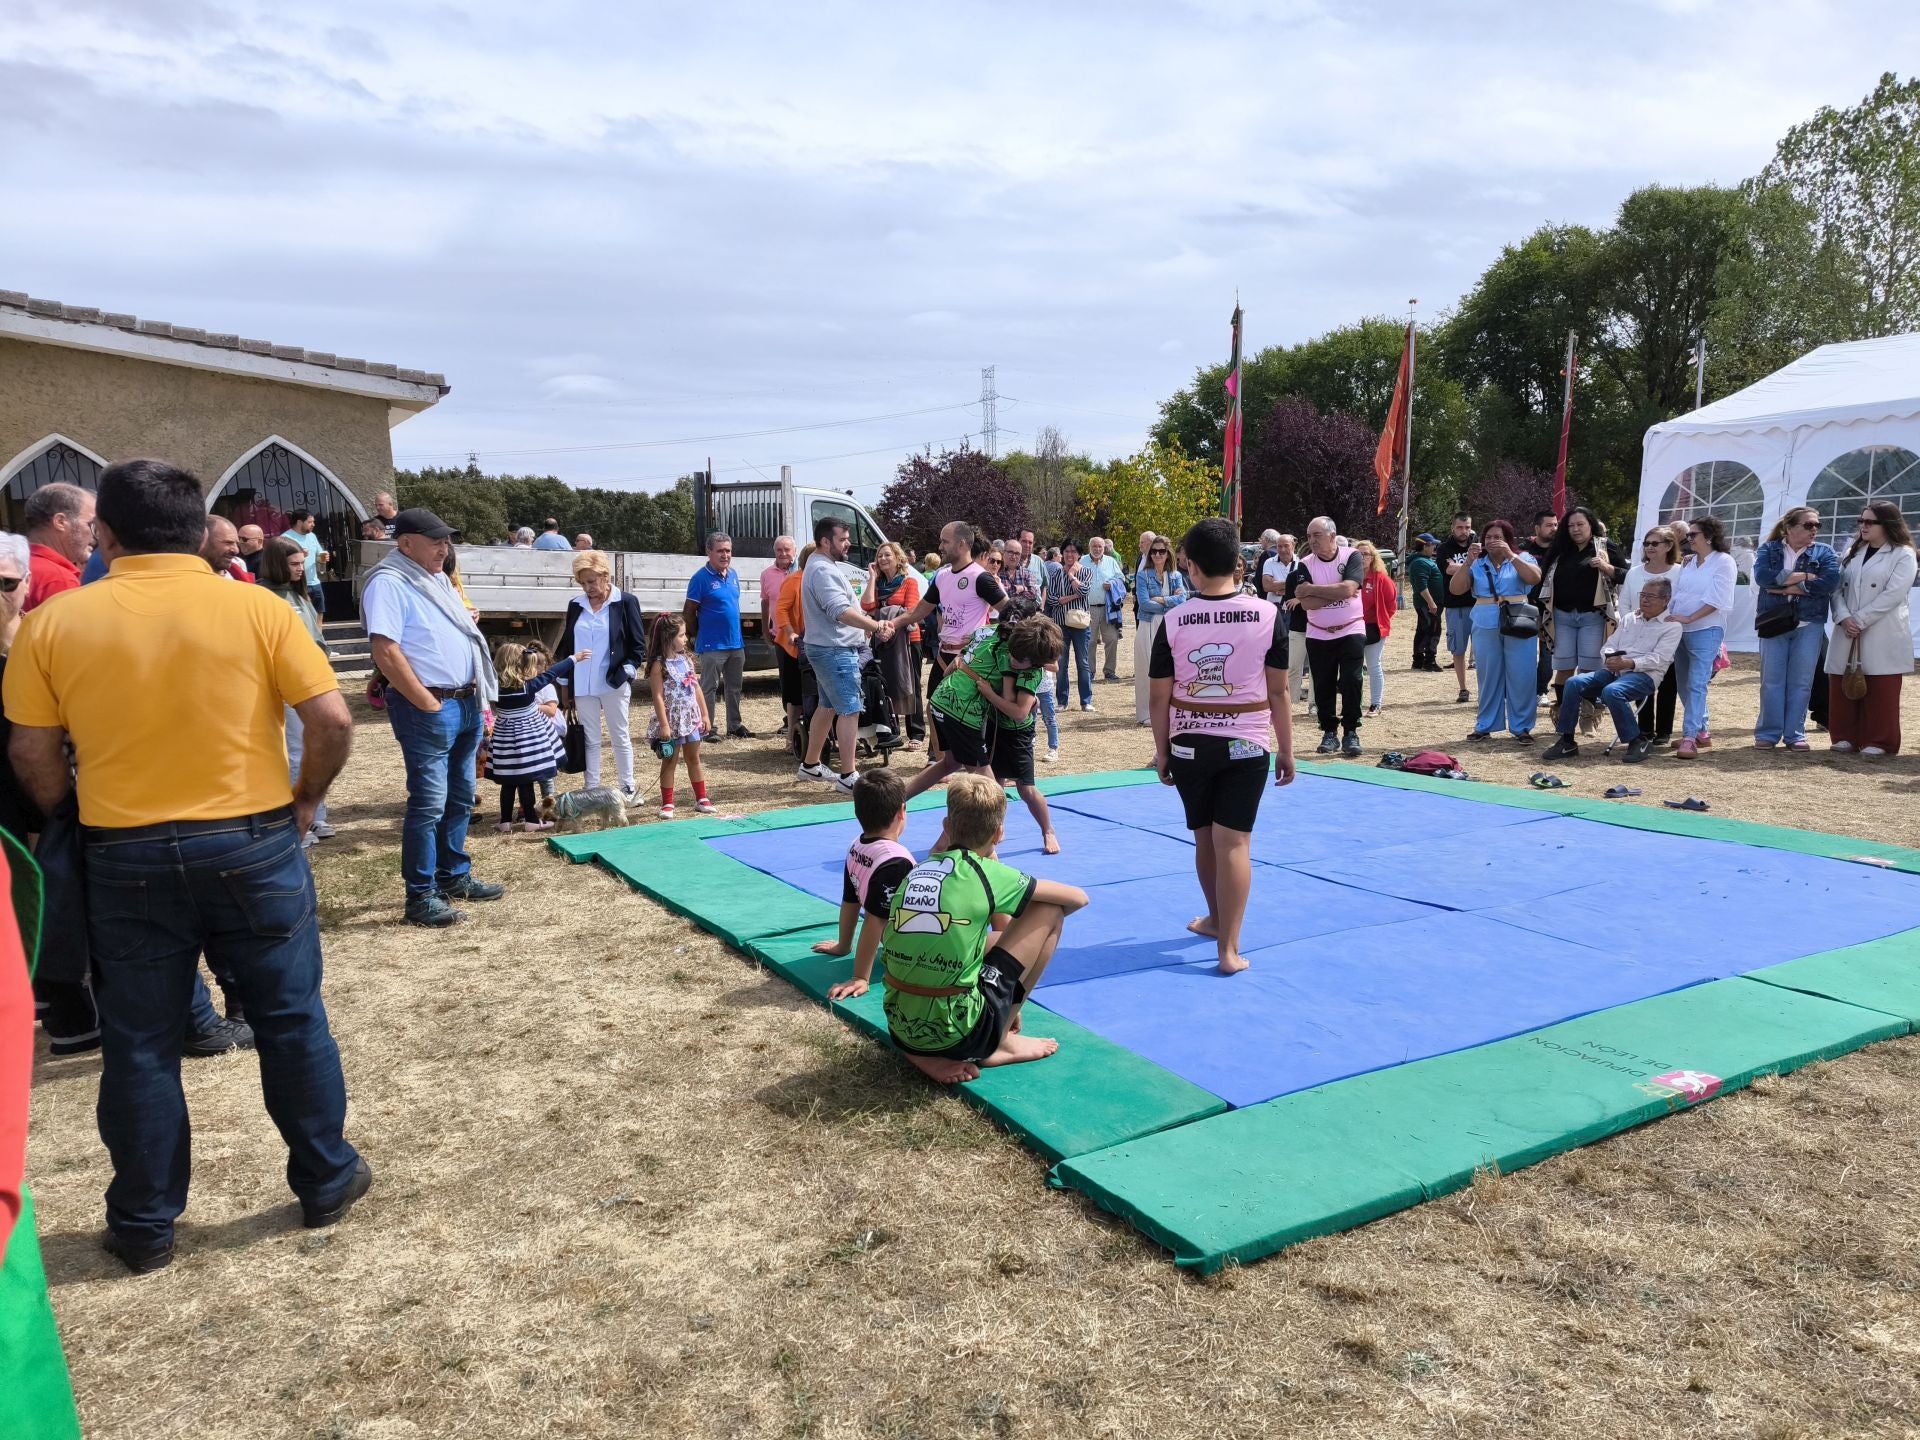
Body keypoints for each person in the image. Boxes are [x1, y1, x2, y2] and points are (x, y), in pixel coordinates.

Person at [5, 458, 366, 1272]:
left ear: (106, 533)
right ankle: (324, 1177)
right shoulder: (258, 609)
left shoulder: (56, 623)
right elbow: (333, 720)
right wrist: (305, 798)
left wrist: (69, 813)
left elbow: (30, 749)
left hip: (122, 850)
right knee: (290, 1018)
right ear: (199, 527)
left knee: (139, 1043)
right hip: (252, 839)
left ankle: (143, 1222)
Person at [870, 773, 1087, 1084]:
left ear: (946, 826)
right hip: (960, 1035)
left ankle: (925, 1051)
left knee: (986, 939)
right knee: (1049, 910)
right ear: (999, 834)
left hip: (899, 1025)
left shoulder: (917, 870)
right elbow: (1078, 898)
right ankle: (1001, 1040)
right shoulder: (988, 873)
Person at [1149, 516, 1295, 975]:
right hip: (1247, 740)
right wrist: (1287, 750)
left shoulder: (1171, 620)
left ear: (1189, 566)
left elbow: (1158, 696)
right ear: (1238, 563)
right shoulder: (1269, 615)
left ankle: (1215, 918)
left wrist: (1162, 750)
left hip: (1189, 740)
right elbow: (1279, 692)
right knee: (1234, 843)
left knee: (1205, 839)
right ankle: (1228, 948)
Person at [363, 508, 507, 927]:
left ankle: (454, 875)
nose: (444, 548)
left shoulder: (437, 578)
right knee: (428, 803)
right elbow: (385, 650)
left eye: (446, 540)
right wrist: (424, 700)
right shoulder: (389, 583)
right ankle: (421, 895)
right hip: (431, 706)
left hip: (464, 703)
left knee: (460, 797)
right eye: (435, 541)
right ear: (405, 543)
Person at [906, 611, 1065, 853]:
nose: (1013, 660)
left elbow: (1020, 704)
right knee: (989, 792)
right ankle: (946, 844)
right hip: (964, 714)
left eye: (1020, 660)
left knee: (951, 764)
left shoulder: (993, 633)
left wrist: (968, 675)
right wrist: (992, 690)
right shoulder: (1014, 656)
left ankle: (897, 800)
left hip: (945, 701)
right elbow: (1015, 701)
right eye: (1014, 655)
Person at [798, 516, 894, 794]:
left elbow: (846, 607)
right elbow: (839, 611)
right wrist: (875, 626)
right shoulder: (822, 570)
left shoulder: (824, 566)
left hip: (828, 647)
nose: (847, 543)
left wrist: (868, 623)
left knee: (827, 706)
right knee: (850, 710)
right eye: (842, 539)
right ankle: (848, 776)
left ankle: (811, 765)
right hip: (834, 650)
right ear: (825, 541)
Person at [1542, 578, 1681, 764]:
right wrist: (1610, 658)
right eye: (1643, 595)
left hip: (1645, 676)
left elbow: (1659, 659)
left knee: (1612, 691)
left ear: (1666, 600)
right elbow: (1609, 645)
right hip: (1614, 671)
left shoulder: (1672, 626)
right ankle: (1567, 741)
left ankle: (1637, 740)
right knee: (1574, 682)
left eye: (1651, 596)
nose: (1644, 600)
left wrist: (1628, 663)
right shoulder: (1630, 618)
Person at [898, 522, 1008, 750]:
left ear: (962, 544)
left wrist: (985, 636)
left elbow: (1011, 612)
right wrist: (890, 623)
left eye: (944, 541)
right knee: (933, 708)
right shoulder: (942, 576)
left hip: (968, 660)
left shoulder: (980, 577)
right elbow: (920, 610)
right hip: (943, 654)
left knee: (966, 714)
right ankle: (940, 760)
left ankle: (976, 765)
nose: (940, 546)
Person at [1825, 501, 1917, 757]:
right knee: (1842, 680)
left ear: (1887, 524)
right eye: (1861, 521)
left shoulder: (1903, 554)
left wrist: (1860, 620)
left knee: (1881, 685)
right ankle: (1844, 735)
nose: (1863, 526)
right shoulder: (1852, 552)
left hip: (1882, 628)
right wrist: (1844, 617)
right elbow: (1836, 587)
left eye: (1870, 522)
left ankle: (1880, 739)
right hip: (1848, 626)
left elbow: (1894, 594)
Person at [258, 535, 335, 844]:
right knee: (295, 751)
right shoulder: (263, 597)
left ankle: (317, 815)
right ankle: (297, 823)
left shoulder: (298, 594)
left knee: (314, 750)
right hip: (285, 688)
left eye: (302, 563)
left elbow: (314, 637)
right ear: (277, 564)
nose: (301, 569)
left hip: (310, 684)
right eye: (294, 564)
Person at [818, 769, 917, 995]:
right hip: (911, 948)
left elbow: (850, 900)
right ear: (902, 812)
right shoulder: (896, 861)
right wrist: (860, 977)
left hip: (896, 940)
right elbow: (874, 921)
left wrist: (844, 945)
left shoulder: (857, 845)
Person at [559, 549, 647, 802]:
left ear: (605, 577)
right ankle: (591, 790)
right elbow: (567, 645)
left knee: (620, 735)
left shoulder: (626, 601)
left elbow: (637, 646)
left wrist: (626, 673)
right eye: (583, 583)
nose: (588, 588)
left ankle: (628, 788)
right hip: (583, 683)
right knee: (590, 738)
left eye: (591, 581)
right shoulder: (575, 605)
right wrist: (565, 683)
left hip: (613, 682)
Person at [1752, 507, 1841, 752]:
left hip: (1809, 623)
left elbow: (1829, 582)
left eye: (1817, 525)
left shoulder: (1825, 551)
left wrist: (1788, 587)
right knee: (1771, 681)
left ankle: (1795, 734)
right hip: (1774, 622)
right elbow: (1763, 577)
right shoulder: (1768, 549)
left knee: (1802, 682)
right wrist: (1805, 576)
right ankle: (1768, 733)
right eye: (1809, 525)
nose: (1814, 530)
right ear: (1790, 528)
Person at [1451, 518, 1542, 743]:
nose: (1492, 541)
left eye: (1498, 538)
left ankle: (1522, 727)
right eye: (1488, 537)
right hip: (1485, 622)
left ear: (1508, 540)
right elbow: (1456, 589)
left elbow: (1534, 578)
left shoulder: (1523, 558)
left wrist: (1511, 555)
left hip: (1518, 620)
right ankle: (1485, 725)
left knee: (1522, 674)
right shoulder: (1478, 563)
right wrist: (1467, 563)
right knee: (1488, 675)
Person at [486, 642, 584, 831]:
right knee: (526, 781)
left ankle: (505, 822)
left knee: (507, 783)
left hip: (504, 740)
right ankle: (531, 821)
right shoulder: (528, 686)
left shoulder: (495, 687)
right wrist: (573, 658)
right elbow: (552, 672)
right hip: (528, 742)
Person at [1538, 506, 1624, 720]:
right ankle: (1564, 715)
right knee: (1564, 668)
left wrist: (1606, 566)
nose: (1575, 529)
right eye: (1571, 525)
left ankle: (1588, 715)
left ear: (1590, 525)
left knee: (1588, 669)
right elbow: (1542, 582)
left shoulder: (1604, 546)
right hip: (1562, 616)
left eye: (1580, 524)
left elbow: (1624, 575)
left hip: (1593, 617)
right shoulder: (1559, 550)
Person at [1294, 518, 1367, 756]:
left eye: (1317, 535)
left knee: (1351, 681)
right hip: (1318, 634)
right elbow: (1306, 604)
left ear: (1332, 535)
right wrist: (1338, 590)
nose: (1312, 541)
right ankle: (1329, 732)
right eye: (1309, 536)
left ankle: (1351, 731)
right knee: (1323, 684)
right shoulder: (1304, 564)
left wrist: (1314, 589)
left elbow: (1349, 588)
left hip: (1351, 630)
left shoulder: (1351, 556)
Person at [1666, 515, 1736, 759]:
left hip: (1706, 630)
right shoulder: (1688, 562)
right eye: (1688, 535)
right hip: (1680, 630)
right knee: (1685, 683)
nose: (1688, 539)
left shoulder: (1724, 561)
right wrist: (1670, 615)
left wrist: (1690, 617)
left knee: (1696, 683)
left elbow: (1719, 599)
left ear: (1709, 536)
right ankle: (1701, 731)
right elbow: (1678, 594)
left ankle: (1689, 736)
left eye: (1693, 534)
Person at [1620, 525, 1684, 746]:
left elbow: (1682, 602)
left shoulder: (1679, 572)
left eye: (1654, 543)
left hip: (1668, 632)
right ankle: (1644, 728)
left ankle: (1664, 731)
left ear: (1668, 546)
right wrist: (1633, 625)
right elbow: (1625, 603)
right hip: (1639, 633)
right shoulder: (1635, 572)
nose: (1649, 547)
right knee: (1639, 676)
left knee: (1668, 682)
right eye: (1646, 543)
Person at [644, 613, 713, 817]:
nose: (685, 639)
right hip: (671, 721)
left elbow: (696, 689)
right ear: (668, 637)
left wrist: (705, 715)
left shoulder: (687, 660)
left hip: (690, 719)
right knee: (670, 761)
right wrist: (664, 725)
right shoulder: (659, 664)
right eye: (682, 635)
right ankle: (667, 804)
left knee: (694, 758)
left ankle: (702, 798)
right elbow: (657, 696)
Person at [684, 532, 750, 740]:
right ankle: (708, 728)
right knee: (708, 688)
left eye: (728, 551)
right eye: (720, 551)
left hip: (735, 643)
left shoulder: (733, 575)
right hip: (712, 645)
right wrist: (696, 635)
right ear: (709, 551)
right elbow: (688, 612)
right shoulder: (700, 578)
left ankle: (735, 725)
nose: (725, 555)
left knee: (734, 687)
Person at [865, 540, 923, 744]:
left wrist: (887, 625)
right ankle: (890, 729)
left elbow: (912, 611)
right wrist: (872, 578)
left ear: (898, 559)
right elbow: (867, 606)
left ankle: (916, 733)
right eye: (880, 556)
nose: (883, 559)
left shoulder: (909, 582)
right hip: (882, 641)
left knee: (910, 684)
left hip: (908, 640)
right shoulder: (878, 584)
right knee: (885, 684)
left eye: (887, 555)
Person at [1133, 535, 1188, 726]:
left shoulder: (1175, 575)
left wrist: (1162, 600)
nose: (1157, 554)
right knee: (1146, 668)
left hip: (1171, 625)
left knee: (1172, 668)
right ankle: (1145, 713)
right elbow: (1144, 604)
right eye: (1154, 551)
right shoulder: (1142, 575)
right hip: (1148, 624)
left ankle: (1170, 710)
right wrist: (1170, 602)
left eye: (1161, 551)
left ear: (1168, 553)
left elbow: (1183, 599)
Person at [22, 483, 94, 614]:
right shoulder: (58, 580)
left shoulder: (14, 565)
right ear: (60, 522)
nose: (96, 533)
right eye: (90, 524)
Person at [1043, 540, 1095, 711]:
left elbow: (1085, 591)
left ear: (1079, 554)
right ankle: (1062, 701)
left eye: (1073, 551)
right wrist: (1069, 597)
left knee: (1083, 662)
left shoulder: (1085, 571)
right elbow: (1051, 599)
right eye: (1066, 551)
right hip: (1060, 624)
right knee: (1061, 662)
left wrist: (1072, 575)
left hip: (1080, 624)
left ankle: (1086, 701)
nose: (1069, 554)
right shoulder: (1056, 574)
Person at [773, 542, 813, 757]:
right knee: (794, 694)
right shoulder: (794, 580)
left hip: (816, 644)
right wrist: (789, 632)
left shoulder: (824, 580)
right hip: (792, 646)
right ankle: (790, 737)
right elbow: (781, 610)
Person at [1435, 512, 1477, 702]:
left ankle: (1484, 688)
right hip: (1456, 605)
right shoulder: (1444, 548)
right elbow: (1449, 569)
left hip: (1479, 604)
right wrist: (1469, 564)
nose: (1464, 531)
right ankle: (1463, 688)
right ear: (1453, 528)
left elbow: (1483, 566)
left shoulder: (1476, 545)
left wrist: (1460, 565)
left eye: (1467, 527)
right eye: (1460, 527)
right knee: (1458, 649)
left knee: (1484, 650)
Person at [761, 535, 800, 738]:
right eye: (779, 550)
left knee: (804, 680)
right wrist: (764, 627)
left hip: (802, 635)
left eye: (787, 549)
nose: (783, 554)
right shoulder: (767, 574)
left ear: (795, 551)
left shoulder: (802, 572)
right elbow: (766, 602)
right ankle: (790, 720)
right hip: (781, 636)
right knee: (786, 681)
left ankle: (801, 719)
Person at [1355, 540, 1397, 717]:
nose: (1362, 557)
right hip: (1352, 628)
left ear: (1373, 557)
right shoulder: (1350, 577)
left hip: (1374, 628)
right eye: (1359, 554)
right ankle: (1353, 704)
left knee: (1373, 666)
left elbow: (1391, 605)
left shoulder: (1381, 579)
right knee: (1353, 669)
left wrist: (1380, 620)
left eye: (1366, 554)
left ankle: (1375, 704)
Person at [1523, 509, 1559, 699]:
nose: (1554, 528)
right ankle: (1522, 689)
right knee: (1525, 651)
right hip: (1527, 606)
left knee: (1547, 653)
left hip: (1551, 608)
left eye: (1556, 524)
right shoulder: (1524, 549)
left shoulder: (1561, 550)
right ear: (1537, 528)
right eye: (1549, 525)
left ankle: (1541, 690)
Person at [1085, 536, 1126, 682]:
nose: (1097, 549)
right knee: (1089, 641)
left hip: (1108, 608)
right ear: (1089, 547)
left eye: (1100, 547)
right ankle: (1089, 671)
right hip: (1088, 609)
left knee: (1112, 639)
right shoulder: (1082, 561)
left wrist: (1113, 584)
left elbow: (1122, 579)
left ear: (1104, 548)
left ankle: (1109, 671)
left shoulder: (1111, 562)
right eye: (1094, 546)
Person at [1406, 533, 1445, 671]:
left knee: (1423, 630)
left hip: (1429, 603)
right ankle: (1429, 662)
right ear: (1425, 546)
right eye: (1433, 544)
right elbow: (1421, 585)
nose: (1435, 546)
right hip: (1427, 604)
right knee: (1432, 630)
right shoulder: (1419, 562)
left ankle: (1419, 660)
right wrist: (1431, 603)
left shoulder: (1424, 560)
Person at [283, 508, 329, 618]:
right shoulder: (285, 538)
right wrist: (299, 555)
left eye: (313, 522)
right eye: (309, 522)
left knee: (319, 613)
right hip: (297, 584)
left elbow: (319, 553)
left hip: (315, 582)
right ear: (299, 522)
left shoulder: (312, 536)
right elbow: (281, 561)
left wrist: (324, 556)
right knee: (301, 616)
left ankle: (318, 635)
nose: (313, 524)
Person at [200, 514, 257, 584]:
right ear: (204, 540)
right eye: (228, 543)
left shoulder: (239, 574)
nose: (236, 550)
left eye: (236, 544)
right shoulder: (188, 582)